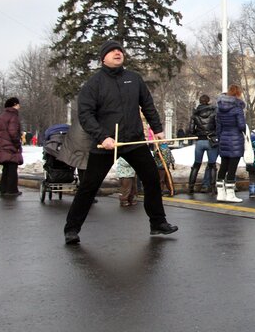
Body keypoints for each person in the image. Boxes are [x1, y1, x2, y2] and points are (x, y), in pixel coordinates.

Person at [63, 40, 178, 245]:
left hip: (133, 140)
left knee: (152, 178)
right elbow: (85, 114)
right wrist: (102, 137)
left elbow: (148, 105)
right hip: (107, 143)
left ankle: (158, 223)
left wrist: (157, 129)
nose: (118, 53)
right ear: (103, 58)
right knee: (89, 186)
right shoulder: (94, 83)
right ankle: (71, 229)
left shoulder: (133, 79)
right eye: (112, 51)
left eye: (120, 50)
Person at [215, 84, 247, 203]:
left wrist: (220, 137)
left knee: (223, 166)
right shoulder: (237, 108)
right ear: (238, 94)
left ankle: (220, 193)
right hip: (235, 140)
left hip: (223, 138)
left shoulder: (219, 108)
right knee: (232, 167)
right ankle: (230, 194)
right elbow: (241, 126)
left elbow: (218, 127)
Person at [188, 94, 218, 194]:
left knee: (196, 164)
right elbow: (218, 127)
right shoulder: (214, 112)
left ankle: (190, 187)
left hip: (200, 142)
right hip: (211, 141)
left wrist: (199, 133)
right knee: (212, 165)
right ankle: (213, 188)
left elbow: (191, 130)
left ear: (200, 101)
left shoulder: (195, 114)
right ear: (208, 101)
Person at [0, 97, 24, 196]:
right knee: (12, 168)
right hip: (10, 145)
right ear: (15, 104)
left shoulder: (2, 116)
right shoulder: (13, 116)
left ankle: (3, 188)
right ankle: (12, 190)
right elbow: (13, 132)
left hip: (2, 144)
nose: (19, 106)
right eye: (18, 104)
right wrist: (17, 143)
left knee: (6, 168)